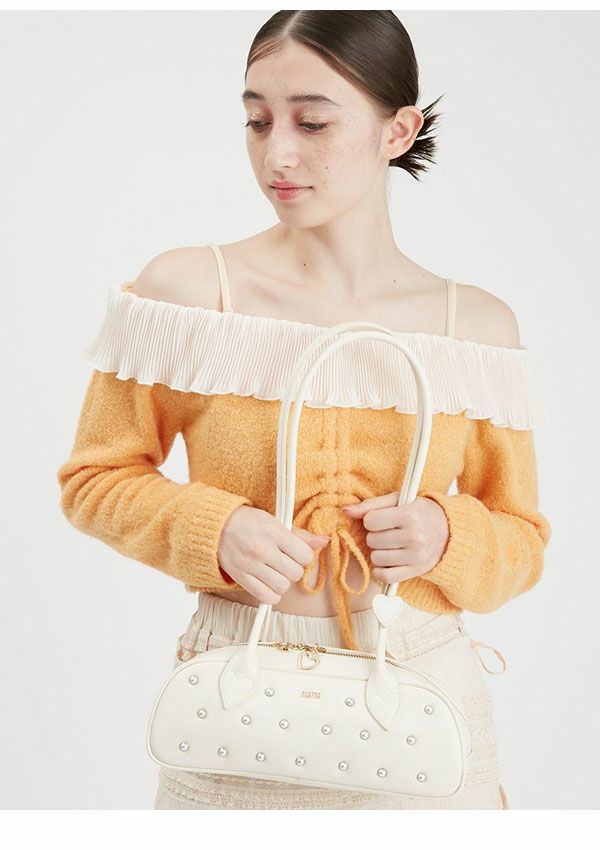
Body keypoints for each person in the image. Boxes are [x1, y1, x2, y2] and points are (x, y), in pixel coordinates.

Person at [56, 10, 551, 810]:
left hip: (424, 703)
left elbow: (523, 537)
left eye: (312, 123)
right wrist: (214, 529)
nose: (276, 154)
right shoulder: (188, 292)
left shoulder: (476, 328)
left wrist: (445, 535)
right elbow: (94, 480)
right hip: (232, 707)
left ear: (398, 131)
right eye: (257, 121)